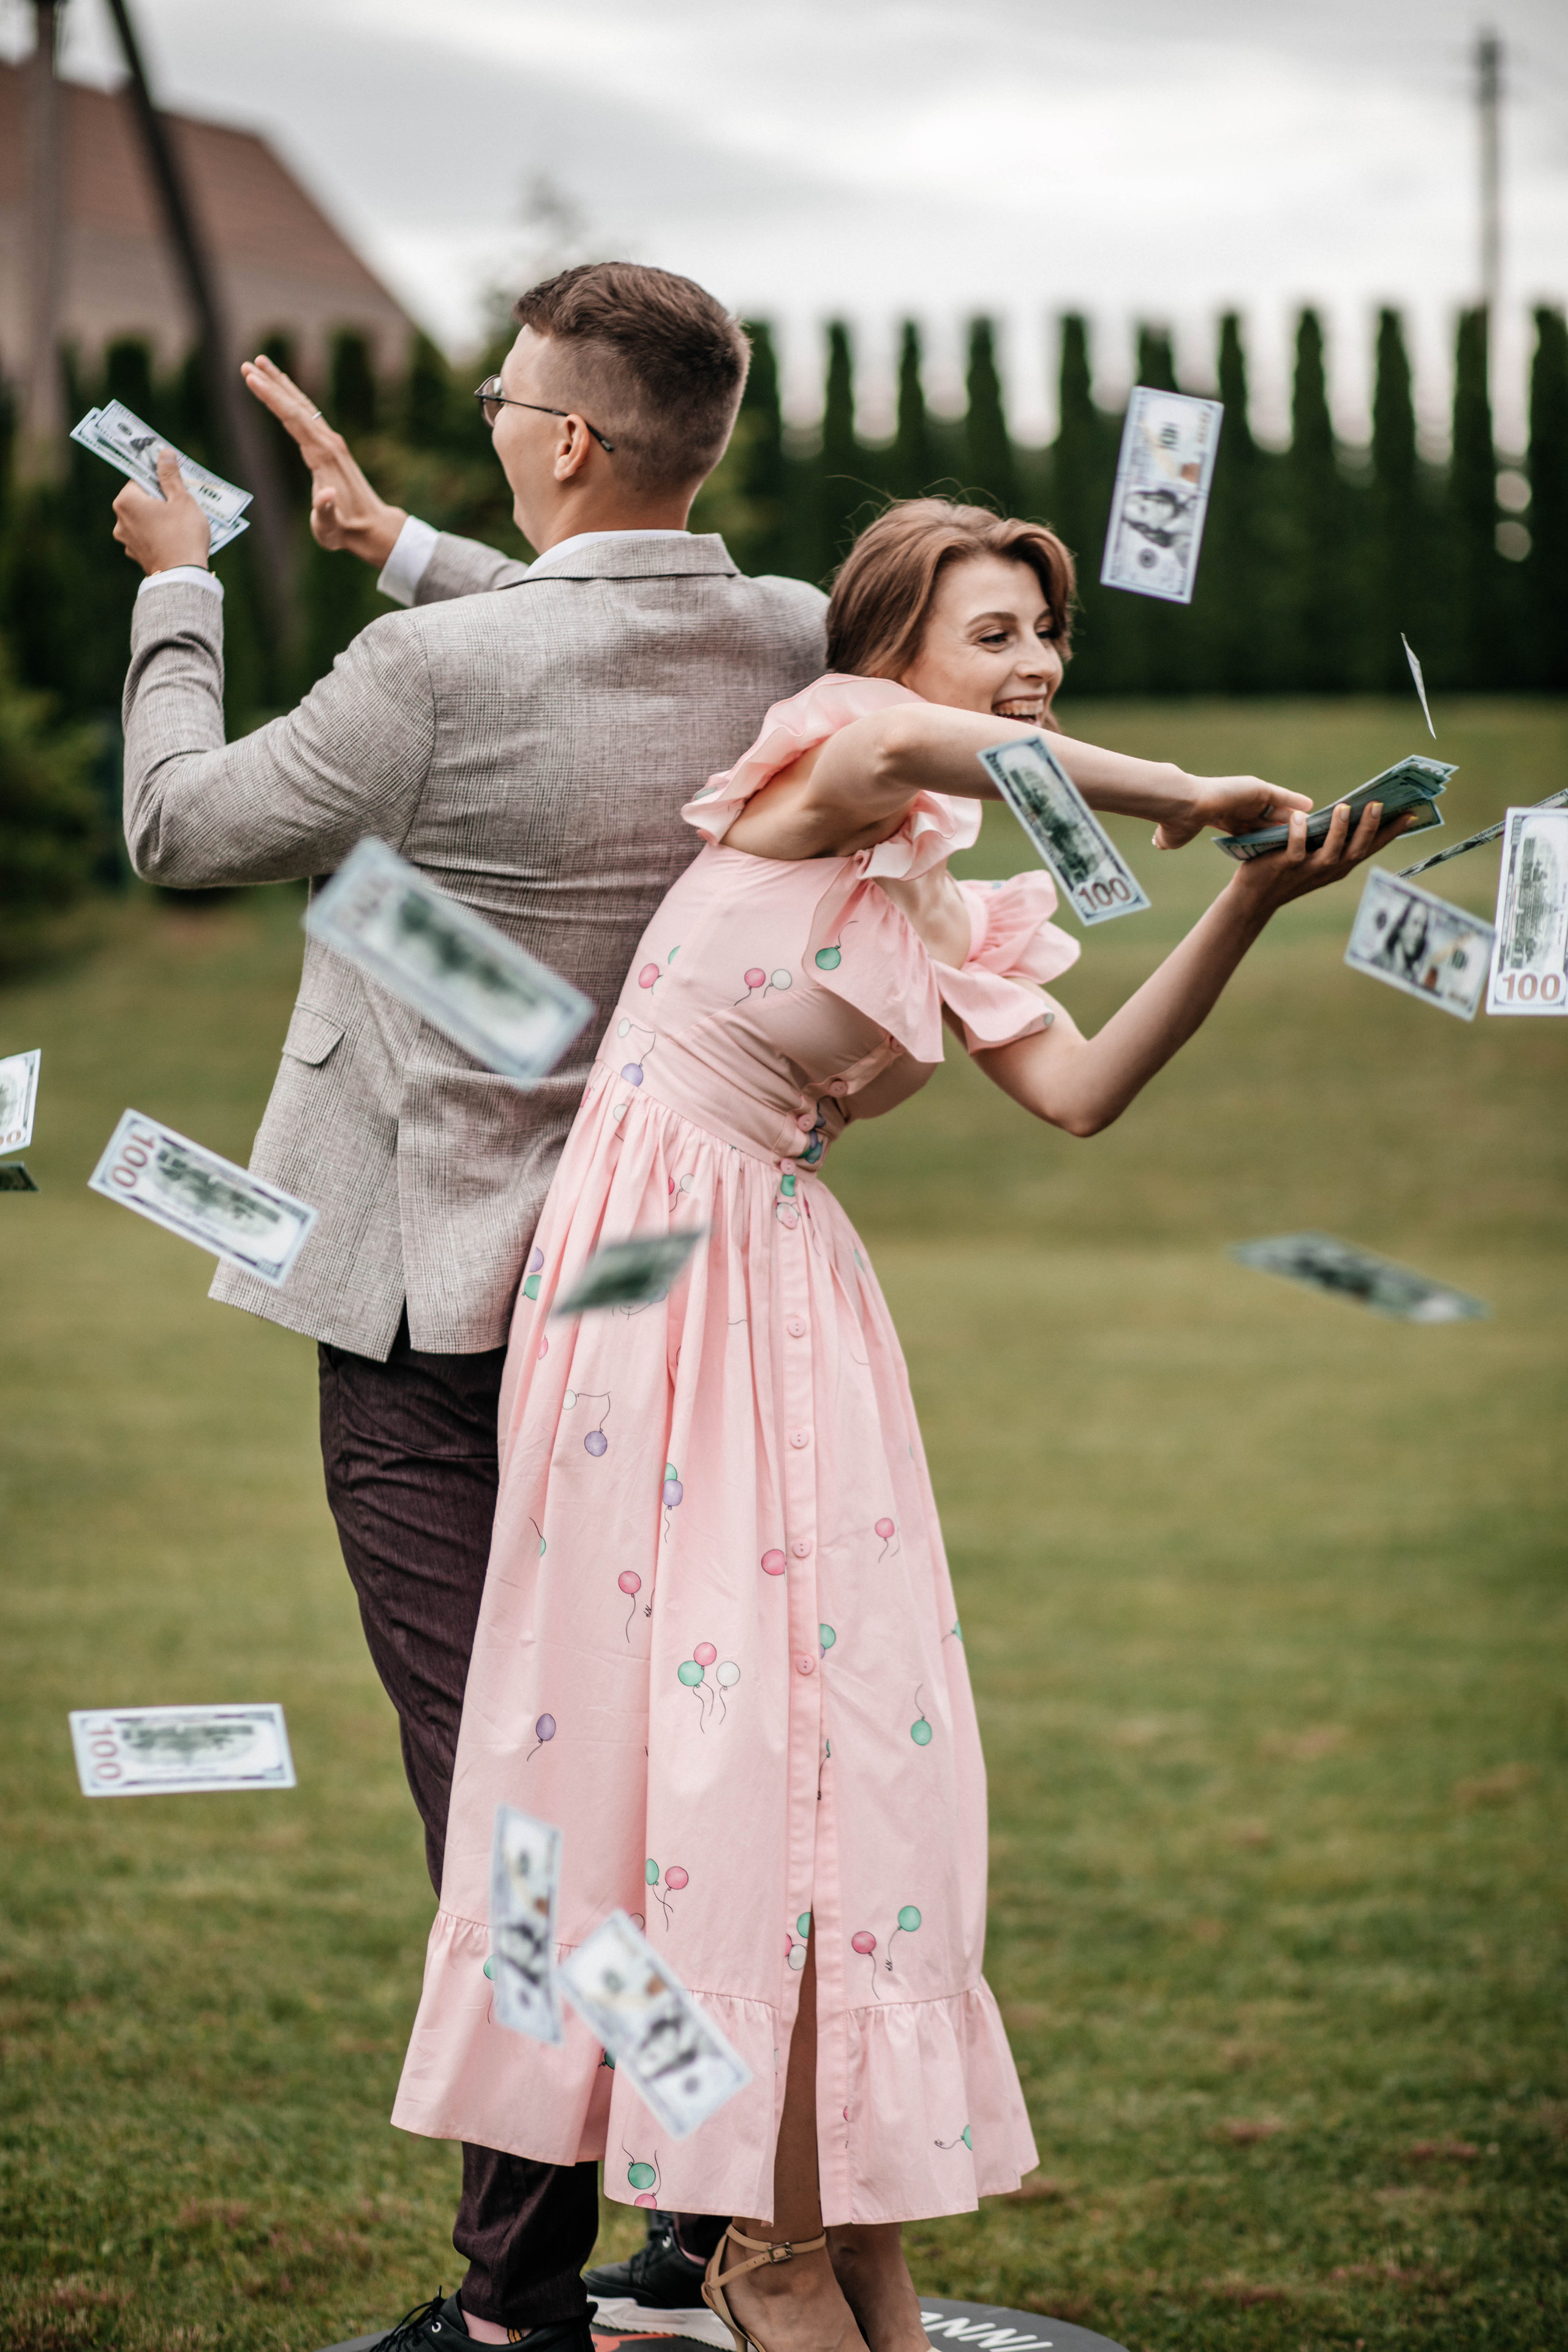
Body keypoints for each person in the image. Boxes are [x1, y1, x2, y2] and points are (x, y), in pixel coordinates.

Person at [390, 499, 1412, 2352]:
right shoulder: (822, 757)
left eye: (1050, 636)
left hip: (788, 1288)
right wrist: (1171, 787)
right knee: (711, 1749)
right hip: (654, 1287)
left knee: (847, 1758)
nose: (1032, 663)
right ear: (891, 645)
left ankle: (841, 2226)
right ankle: (760, 2231)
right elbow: (922, 746)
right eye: (998, 629)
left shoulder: (939, 880)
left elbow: (1082, 1091)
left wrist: (1248, 900)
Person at [109, 262, 829, 2352]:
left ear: (568, 441)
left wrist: (182, 586)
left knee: (498, 1800)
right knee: (668, 1774)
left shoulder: (425, 678)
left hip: (443, 1319)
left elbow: (179, 823)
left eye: (512, 400)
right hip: (671, 1303)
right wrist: (393, 541)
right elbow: (606, 621)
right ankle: (698, 2230)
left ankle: (514, 2304)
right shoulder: (785, 638)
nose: (496, 421)